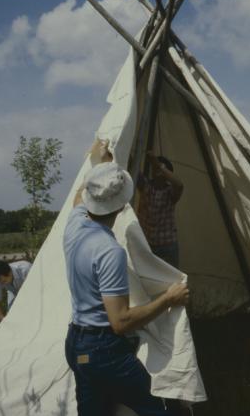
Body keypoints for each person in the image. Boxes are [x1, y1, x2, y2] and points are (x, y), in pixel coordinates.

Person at [64, 157, 190, 415]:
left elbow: (79, 197)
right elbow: (120, 321)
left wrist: (97, 156)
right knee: (159, 407)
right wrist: (169, 298)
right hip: (104, 351)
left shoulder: (74, 225)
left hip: (77, 343)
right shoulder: (110, 251)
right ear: (123, 207)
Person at [137, 152, 184, 267]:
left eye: (160, 168)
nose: (157, 169)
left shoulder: (170, 192)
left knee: (172, 282)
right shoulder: (146, 187)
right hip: (148, 245)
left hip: (168, 246)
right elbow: (132, 167)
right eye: (155, 167)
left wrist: (159, 165)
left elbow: (179, 185)